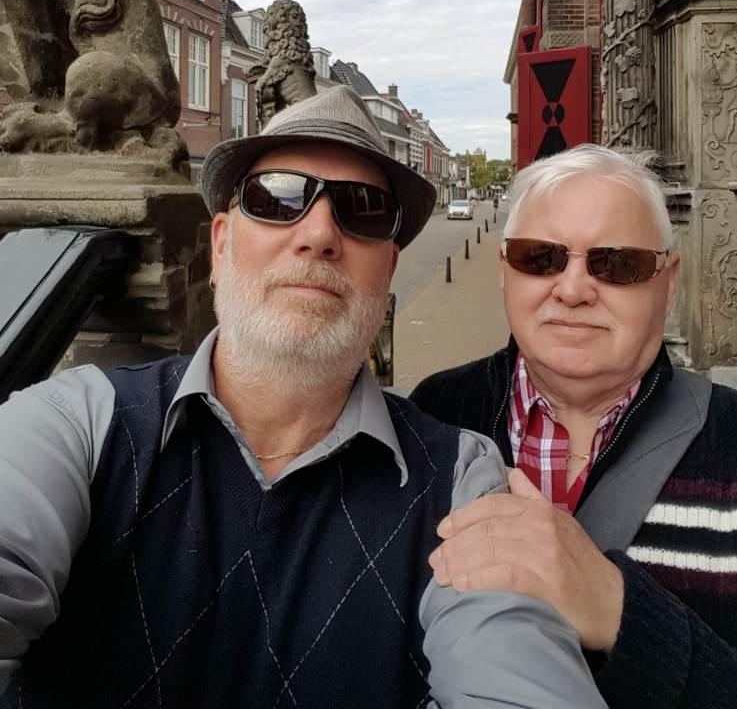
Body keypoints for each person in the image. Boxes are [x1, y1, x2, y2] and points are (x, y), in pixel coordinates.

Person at [0, 87, 606, 709]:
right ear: (219, 245)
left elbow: (514, 672)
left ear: (388, 271)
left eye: (362, 209)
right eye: (277, 198)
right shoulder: (78, 428)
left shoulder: (463, 481)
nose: (318, 234)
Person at [411, 144, 737, 709]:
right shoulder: (433, 415)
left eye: (616, 264)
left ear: (669, 282)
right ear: (503, 271)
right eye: (540, 257)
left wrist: (620, 610)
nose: (572, 289)